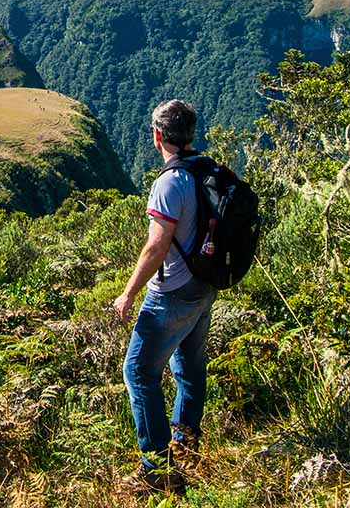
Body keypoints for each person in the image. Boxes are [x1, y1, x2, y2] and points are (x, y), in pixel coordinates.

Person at [113, 99, 216, 495]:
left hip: (171, 292)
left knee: (138, 372)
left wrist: (127, 295)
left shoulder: (169, 182)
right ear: (189, 133)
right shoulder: (207, 169)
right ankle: (187, 444)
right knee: (189, 367)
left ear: (158, 136)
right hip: (203, 288)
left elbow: (155, 248)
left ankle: (157, 469)